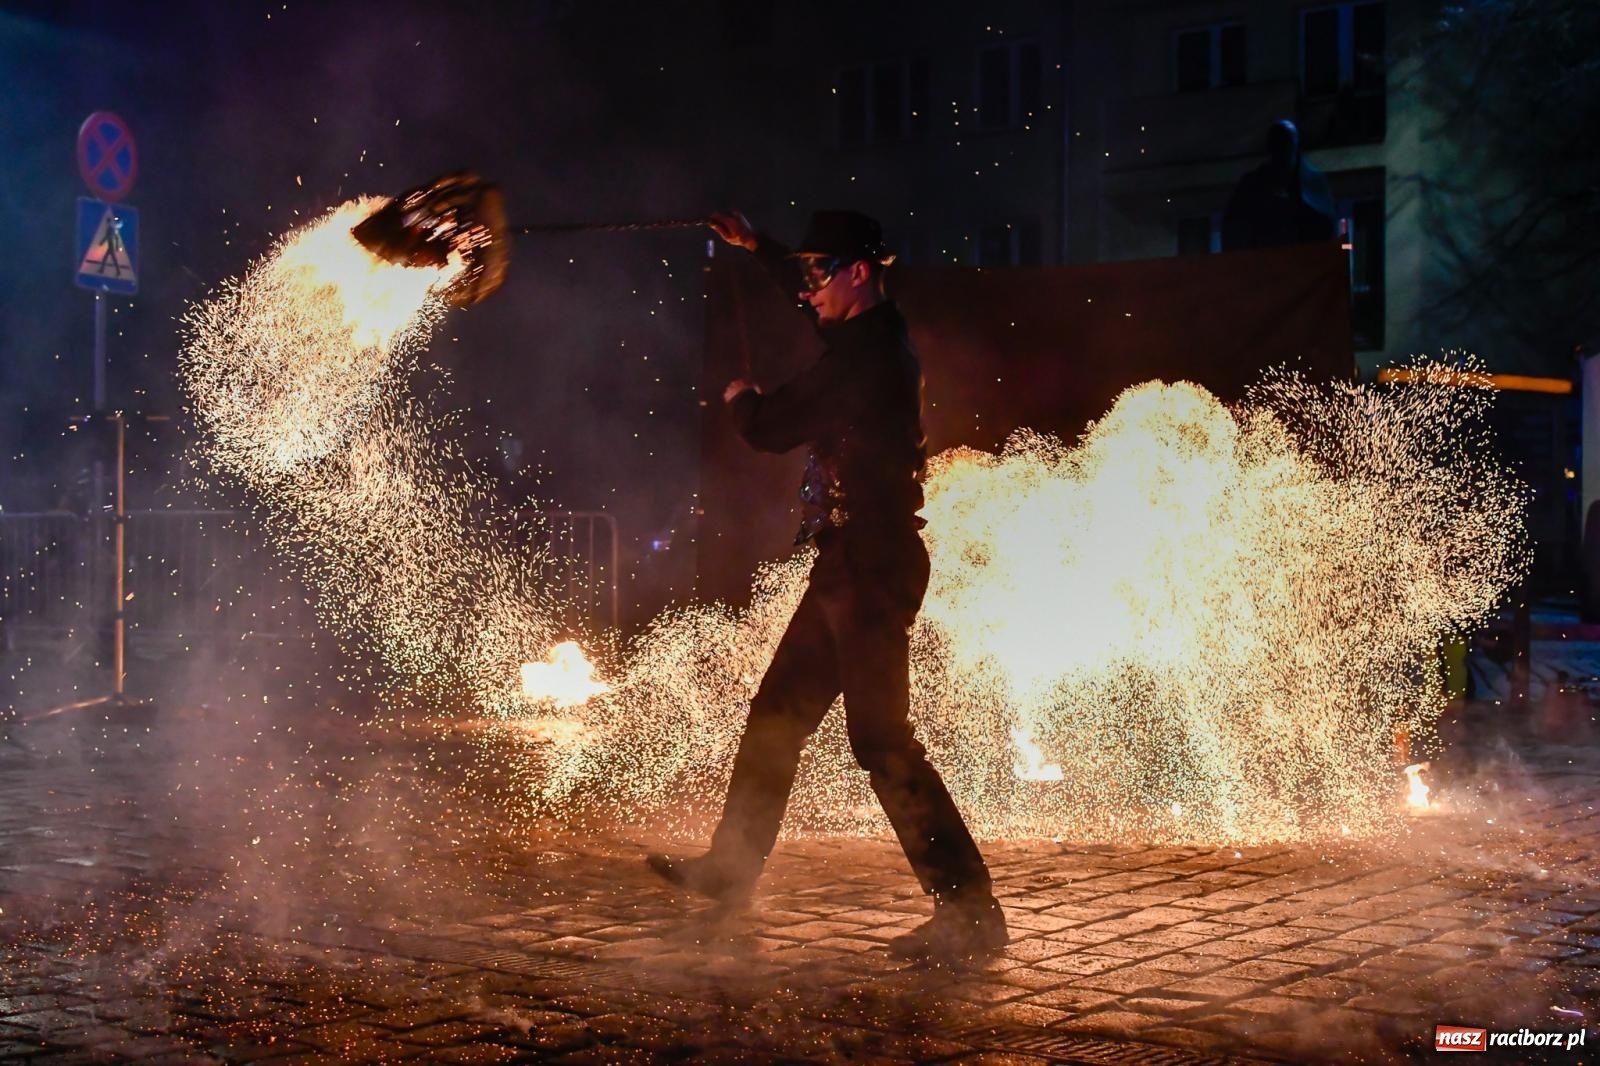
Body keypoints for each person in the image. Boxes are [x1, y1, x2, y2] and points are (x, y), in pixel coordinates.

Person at [646, 209, 1007, 962]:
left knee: (880, 740)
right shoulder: (867, 335)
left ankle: (970, 912)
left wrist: (743, 401)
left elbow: (772, 427)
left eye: (819, 273)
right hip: (849, 564)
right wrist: (758, 248)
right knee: (778, 712)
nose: (806, 291)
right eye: (803, 274)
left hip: (872, 568)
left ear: (859, 273)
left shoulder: (867, 359)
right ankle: (730, 871)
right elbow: (810, 303)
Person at [1221, 119, 1337, 251]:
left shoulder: (1315, 183)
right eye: (1278, 145)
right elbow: (1234, 229)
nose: (1282, 152)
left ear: (1296, 146)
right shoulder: (1250, 186)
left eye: (1286, 145)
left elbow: (1326, 228)